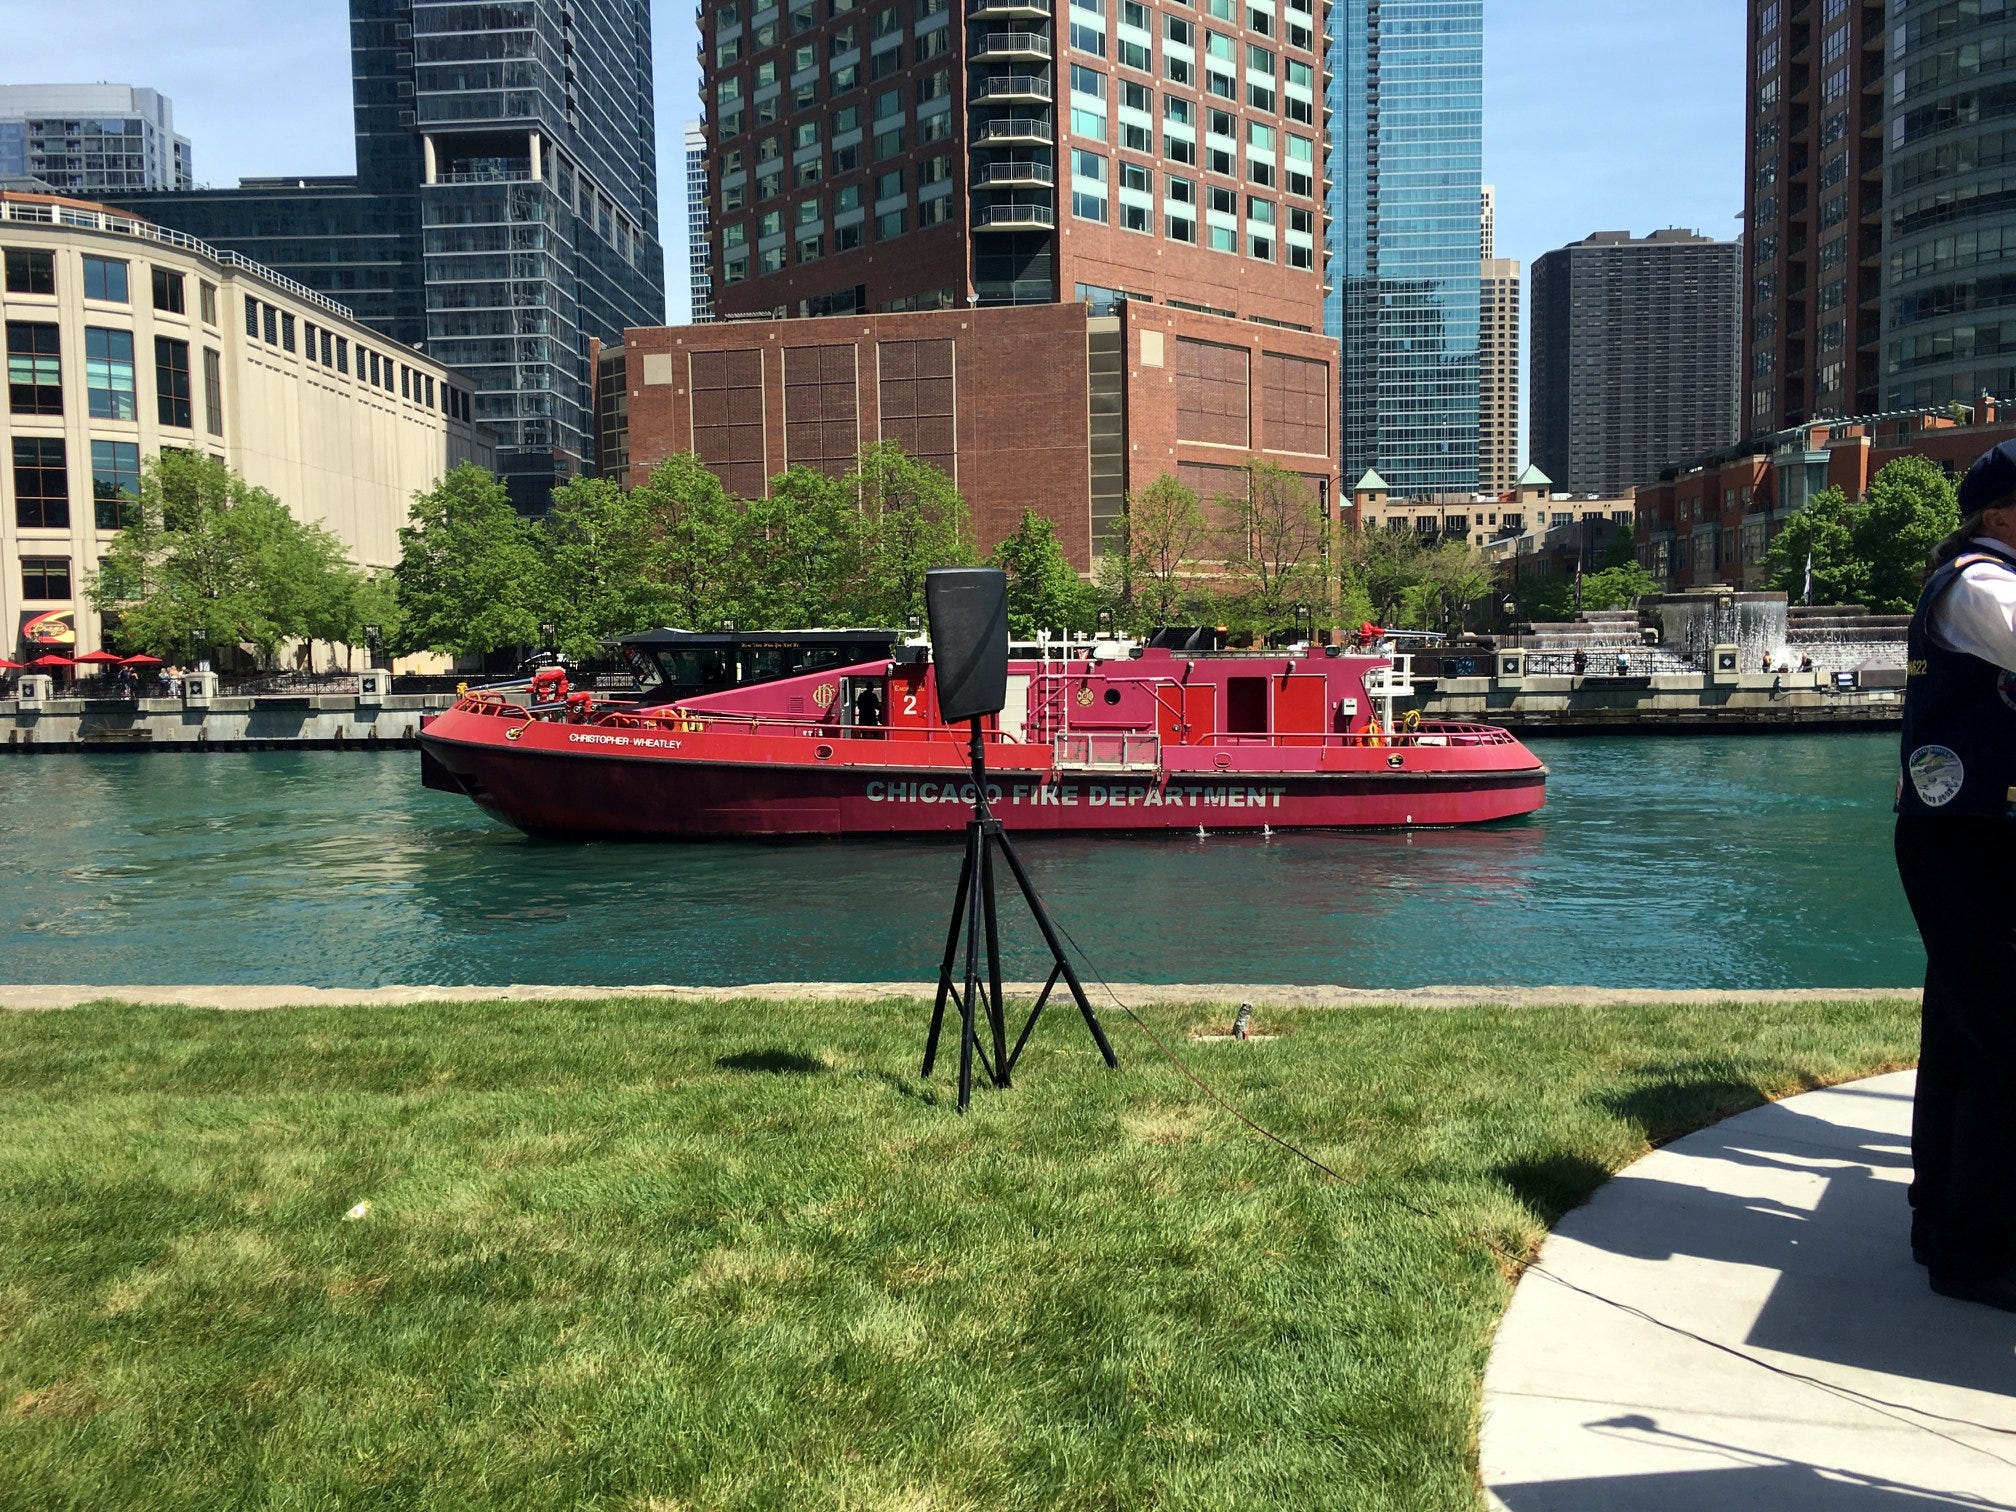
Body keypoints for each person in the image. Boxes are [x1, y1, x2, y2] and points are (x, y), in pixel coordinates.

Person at [1894, 436, 2016, 1311]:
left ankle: (1938, 1213)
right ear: (2002, 513)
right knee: (1999, 1044)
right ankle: (1972, 1252)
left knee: (1964, 1035)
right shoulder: (1979, 584)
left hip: (1971, 834)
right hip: (1970, 839)